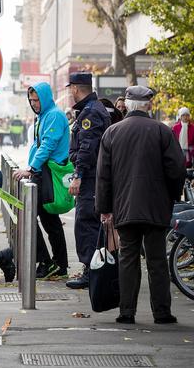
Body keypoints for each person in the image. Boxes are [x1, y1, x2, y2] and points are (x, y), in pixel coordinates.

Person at [96, 86, 185, 325]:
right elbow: (177, 169)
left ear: (127, 105)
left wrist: (105, 208)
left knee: (128, 258)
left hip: (124, 206)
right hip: (156, 207)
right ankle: (162, 313)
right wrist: (173, 197)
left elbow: (103, 175)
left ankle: (127, 312)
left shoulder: (112, 133)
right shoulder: (162, 132)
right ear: (149, 105)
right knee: (157, 260)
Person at [13, 82, 70, 280]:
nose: (34, 103)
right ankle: (59, 265)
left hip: (46, 174)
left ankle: (47, 261)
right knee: (49, 220)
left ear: (45, 98)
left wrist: (30, 168)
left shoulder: (53, 115)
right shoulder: (44, 116)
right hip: (42, 173)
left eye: (37, 100)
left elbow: (47, 145)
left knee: (27, 217)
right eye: (31, 100)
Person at [65, 73, 111, 289]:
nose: (69, 93)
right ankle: (94, 270)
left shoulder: (90, 112)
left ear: (75, 88)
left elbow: (87, 148)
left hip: (91, 177)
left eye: (70, 89)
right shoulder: (92, 108)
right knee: (92, 224)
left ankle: (91, 271)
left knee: (86, 224)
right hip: (95, 176)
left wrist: (78, 176)